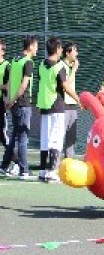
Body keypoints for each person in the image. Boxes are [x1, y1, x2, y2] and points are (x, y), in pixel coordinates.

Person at [37, 37, 80, 182]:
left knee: (45, 140)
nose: (62, 50)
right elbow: (66, 87)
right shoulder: (59, 67)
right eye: (60, 48)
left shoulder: (41, 65)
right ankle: (52, 171)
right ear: (56, 49)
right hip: (56, 106)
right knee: (56, 140)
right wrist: (78, 99)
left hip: (44, 106)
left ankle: (43, 171)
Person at [0, 36, 38, 179]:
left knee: (14, 135)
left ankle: (4, 166)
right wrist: (13, 100)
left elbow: (10, 82)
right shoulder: (28, 62)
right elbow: (23, 86)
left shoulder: (15, 60)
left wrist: (10, 100)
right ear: (30, 47)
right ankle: (24, 170)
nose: (37, 49)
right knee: (23, 138)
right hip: (22, 103)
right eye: (36, 46)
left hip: (15, 103)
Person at [62, 42, 79, 158]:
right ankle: (54, 163)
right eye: (75, 51)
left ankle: (69, 161)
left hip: (72, 105)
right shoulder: (62, 66)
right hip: (63, 106)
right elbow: (67, 85)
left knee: (71, 137)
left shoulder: (71, 66)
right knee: (60, 136)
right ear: (68, 53)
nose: (77, 53)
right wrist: (75, 69)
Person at [0, 40, 10, 149]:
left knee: (2, 132)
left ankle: (13, 156)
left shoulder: (7, 66)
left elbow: (8, 86)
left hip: (1, 102)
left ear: (3, 51)